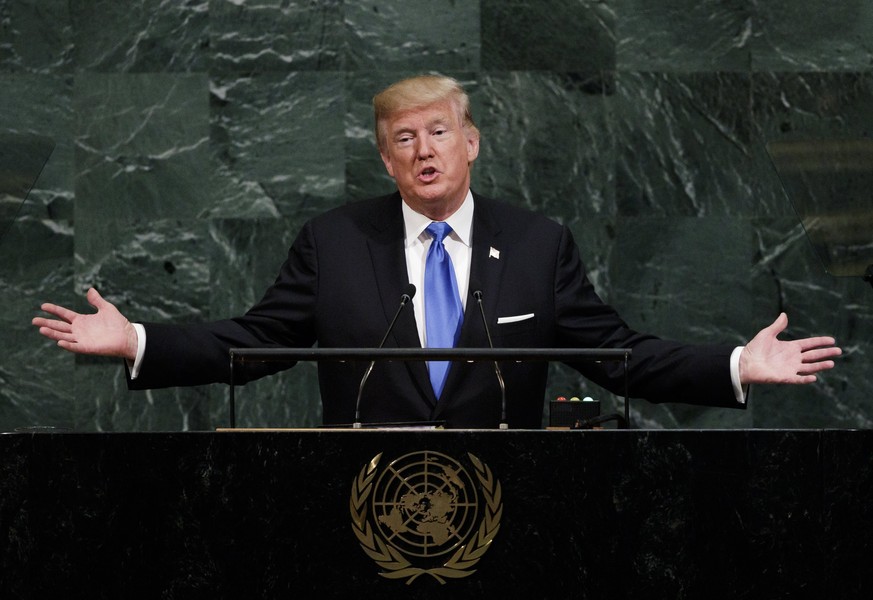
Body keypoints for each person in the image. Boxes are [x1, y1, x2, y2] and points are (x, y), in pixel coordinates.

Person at [32, 75, 842, 429]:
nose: (423, 151)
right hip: (361, 507)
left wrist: (736, 365)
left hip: (511, 513)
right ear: (386, 161)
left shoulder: (536, 243)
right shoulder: (336, 242)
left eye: (438, 132)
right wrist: (136, 342)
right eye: (403, 140)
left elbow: (617, 356)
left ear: (471, 143)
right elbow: (259, 340)